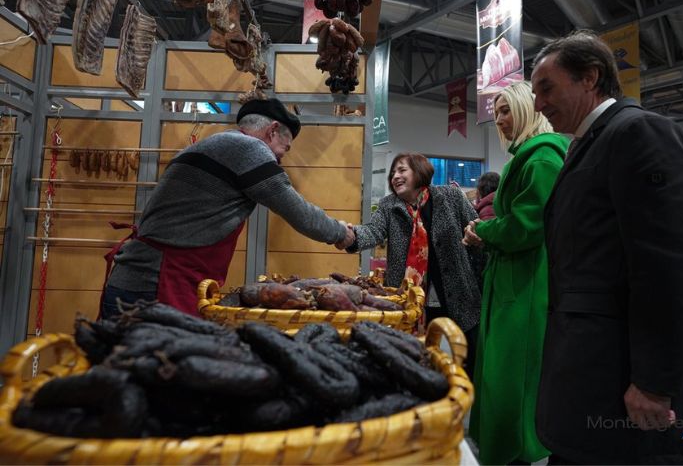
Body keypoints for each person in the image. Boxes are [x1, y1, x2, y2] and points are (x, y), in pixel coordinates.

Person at [530, 30, 683, 464]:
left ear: (590, 78)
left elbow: (675, 264)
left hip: (626, 376)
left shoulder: (639, 133)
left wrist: (654, 382)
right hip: (594, 368)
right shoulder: (593, 143)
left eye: (547, 88)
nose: (538, 104)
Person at [101, 98, 355, 318]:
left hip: (137, 279)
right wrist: (340, 233)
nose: (280, 159)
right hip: (156, 285)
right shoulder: (249, 149)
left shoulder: (211, 145)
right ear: (273, 130)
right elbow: (296, 209)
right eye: (284, 149)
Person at [462, 81, 568, 465]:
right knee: (503, 377)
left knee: (512, 380)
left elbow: (527, 226)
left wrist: (483, 231)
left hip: (525, 284)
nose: (500, 120)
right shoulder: (529, 157)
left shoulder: (540, 159)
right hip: (513, 281)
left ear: (528, 108)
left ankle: (514, 453)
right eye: (496, 112)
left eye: (506, 110)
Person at [340, 152, 483, 375]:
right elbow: (373, 231)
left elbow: (476, 233)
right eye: (393, 172)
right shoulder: (389, 205)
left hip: (461, 296)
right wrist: (350, 236)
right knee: (418, 361)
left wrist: (481, 280)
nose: (395, 176)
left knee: (469, 361)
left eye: (402, 170)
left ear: (419, 171)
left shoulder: (451, 197)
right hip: (412, 300)